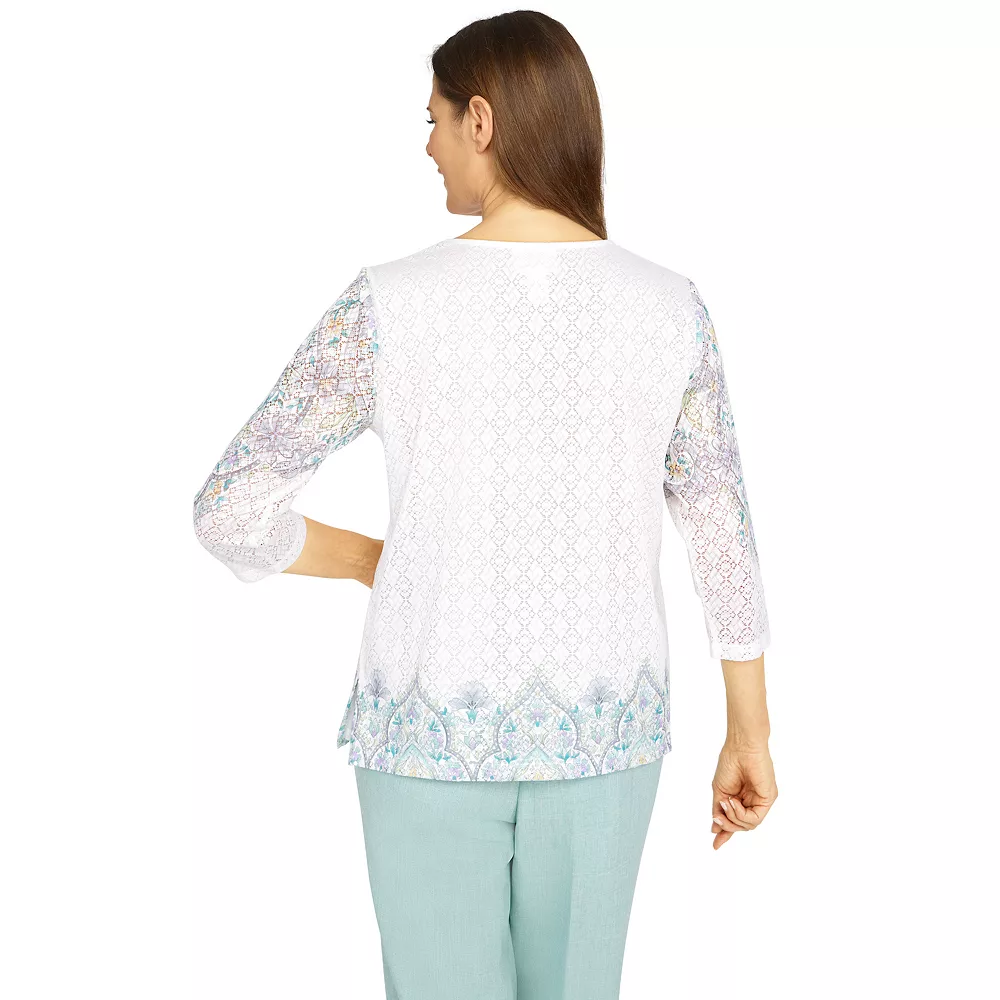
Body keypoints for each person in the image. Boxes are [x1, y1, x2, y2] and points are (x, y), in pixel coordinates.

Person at [192, 10, 777, 999]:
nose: (426, 147)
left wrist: (375, 561)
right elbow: (723, 537)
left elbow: (229, 508)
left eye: (430, 120)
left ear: (481, 119)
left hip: (425, 733)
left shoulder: (385, 304)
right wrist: (749, 731)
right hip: (606, 736)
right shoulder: (670, 307)